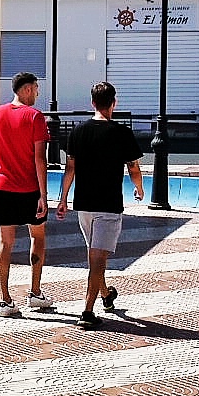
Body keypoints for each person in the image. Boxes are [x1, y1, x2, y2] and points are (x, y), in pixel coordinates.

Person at [55, 81, 145, 327]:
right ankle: (87, 312)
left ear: (92, 103)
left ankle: (106, 294)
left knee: (95, 255)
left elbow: (70, 168)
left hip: (83, 204)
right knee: (97, 259)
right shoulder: (121, 133)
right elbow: (133, 167)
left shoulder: (78, 132)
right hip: (108, 205)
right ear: (114, 103)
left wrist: (63, 199)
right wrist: (139, 188)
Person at [0, 71, 51, 318]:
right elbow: (40, 159)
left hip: (2, 187)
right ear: (26, 89)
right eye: (35, 88)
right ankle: (35, 292)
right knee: (38, 237)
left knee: (4, 243)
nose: (37, 93)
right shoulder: (35, 116)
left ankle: (5, 300)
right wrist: (43, 195)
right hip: (30, 189)